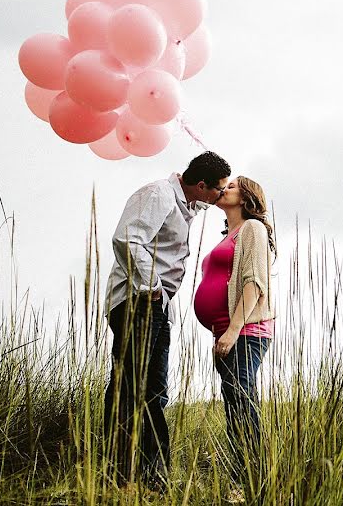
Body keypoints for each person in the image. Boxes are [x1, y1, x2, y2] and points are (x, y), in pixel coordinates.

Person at [103, 151, 231, 491]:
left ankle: (150, 475)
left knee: (154, 390)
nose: (220, 197)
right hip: (138, 302)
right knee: (132, 387)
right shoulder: (158, 194)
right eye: (218, 190)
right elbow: (127, 239)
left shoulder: (188, 205)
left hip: (155, 307)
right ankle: (123, 473)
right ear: (202, 186)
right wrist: (153, 289)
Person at [194, 176, 276, 499]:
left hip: (245, 332)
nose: (223, 189)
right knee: (235, 407)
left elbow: (255, 284)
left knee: (242, 402)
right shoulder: (230, 235)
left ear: (246, 198)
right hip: (228, 335)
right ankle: (244, 479)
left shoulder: (253, 229)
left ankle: (253, 480)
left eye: (230, 187)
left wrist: (232, 330)